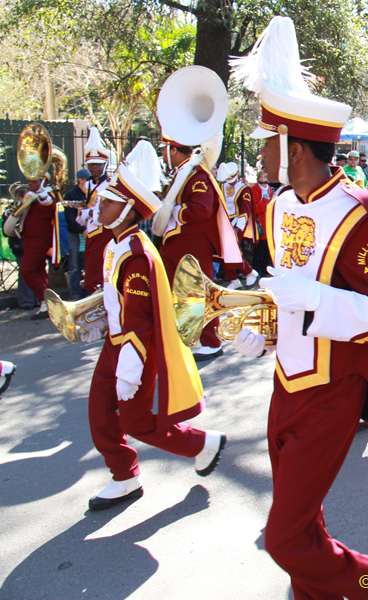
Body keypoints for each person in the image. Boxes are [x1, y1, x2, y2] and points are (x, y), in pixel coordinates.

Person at [228, 17, 368, 599]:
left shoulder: (362, 212)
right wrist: (265, 330)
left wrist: (319, 300)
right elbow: (287, 296)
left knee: (283, 539)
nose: (260, 150)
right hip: (285, 383)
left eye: (267, 140)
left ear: (293, 148)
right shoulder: (278, 205)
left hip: (332, 393)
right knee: (301, 526)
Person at [85, 141, 225, 512]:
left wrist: (130, 369)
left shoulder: (136, 254)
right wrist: (99, 319)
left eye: (108, 202)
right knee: (99, 412)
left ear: (127, 210)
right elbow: (119, 300)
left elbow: (140, 320)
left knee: (137, 422)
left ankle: (202, 444)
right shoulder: (116, 244)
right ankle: (124, 476)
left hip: (134, 348)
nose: (100, 206)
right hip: (116, 342)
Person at [156, 128, 244, 362]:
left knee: (198, 292)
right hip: (177, 241)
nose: (162, 154)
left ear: (173, 150)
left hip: (192, 243)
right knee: (178, 294)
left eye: (164, 149)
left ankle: (212, 342)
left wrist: (173, 211)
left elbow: (202, 208)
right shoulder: (183, 172)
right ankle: (185, 335)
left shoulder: (196, 175)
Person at [18, 176, 62, 319]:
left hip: (39, 241)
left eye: (33, 181)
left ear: (42, 182)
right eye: (29, 181)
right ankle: (46, 305)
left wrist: (42, 193)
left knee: (27, 271)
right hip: (29, 239)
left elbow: (50, 207)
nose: (29, 183)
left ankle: (46, 301)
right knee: (38, 271)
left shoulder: (46, 196)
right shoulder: (32, 196)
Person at [77, 127, 114, 295]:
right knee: (91, 273)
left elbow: (108, 209)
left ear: (104, 165)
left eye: (98, 164)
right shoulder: (89, 184)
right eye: (91, 164)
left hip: (103, 231)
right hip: (91, 232)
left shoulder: (110, 184)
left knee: (96, 277)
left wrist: (90, 213)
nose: (94, 168)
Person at [216, 162, 260, 290]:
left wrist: (237, 229)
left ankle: (248, 272)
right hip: (225, 222)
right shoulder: (223, 185)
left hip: (237, 223)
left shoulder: (244, 188)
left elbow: (245, 211)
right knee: (224, 253)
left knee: (231, 251)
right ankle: (236, 278)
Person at [2, 185, 38, 309]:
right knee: (25, 273)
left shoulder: (33, 208)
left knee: (36, 272)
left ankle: (38, 300)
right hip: (20, 246)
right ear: (19, 198)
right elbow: (7, 230)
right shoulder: (10, 210)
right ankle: (26, 302)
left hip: (34, 245)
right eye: (26, 197)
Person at [64, 169, 89, 298]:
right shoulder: (71, 195)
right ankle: (75, 291)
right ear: (80, 180)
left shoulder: (93, 193)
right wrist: (81, 229)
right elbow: (69, 218)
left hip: (90, 232)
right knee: (75, 264)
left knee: (89, 263)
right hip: (76, 233)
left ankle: (89, 290)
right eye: (87, 179)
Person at [250, 167, 276, 274]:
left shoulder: (270, 189)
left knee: (266, 249)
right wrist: (265, 202)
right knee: (259, 249)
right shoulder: (254, 190)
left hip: (268, 222)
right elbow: (254, 208)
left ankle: (265, 268)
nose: (264, 179)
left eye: (265, 177)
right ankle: (257, 269)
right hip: (260, 223)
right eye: (261, 177)